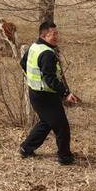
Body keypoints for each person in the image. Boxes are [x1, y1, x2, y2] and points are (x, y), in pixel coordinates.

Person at [19, 21, 80, 165]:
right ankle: (65, 157)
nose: (56, 36)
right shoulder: (47, 53)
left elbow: (23, 63)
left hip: (36, 93)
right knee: (62, 127)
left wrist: (34, 80)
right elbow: (50, 79)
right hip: (45, 96)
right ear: (44, 35)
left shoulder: (35, 46)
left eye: (56, 33)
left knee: (46, 123)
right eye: (53, 34)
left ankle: (25, 148)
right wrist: (66, 94)